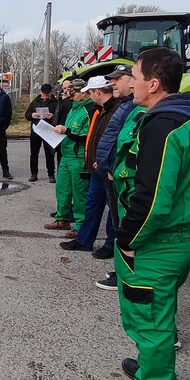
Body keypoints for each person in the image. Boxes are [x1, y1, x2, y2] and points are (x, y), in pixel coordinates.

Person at [113, 48, 190, 380]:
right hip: (188, 233)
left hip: (159, 240)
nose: (129, 83)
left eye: (134, 77)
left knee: (149, 317)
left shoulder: (164, 126)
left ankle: (157, 377)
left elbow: (152, 198)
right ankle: (151, 365)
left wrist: (128, 240)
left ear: (154, 83)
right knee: (161, 306)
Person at [59, 76, 119, 252]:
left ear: (97, 92)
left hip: (104, 165)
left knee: (112, 207)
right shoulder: (99, 110)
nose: (88, 96)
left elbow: (110, 140)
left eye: (90, 92)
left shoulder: (113, 110)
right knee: (92, 203)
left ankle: (111, 244)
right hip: (95, 164)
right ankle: (84, 240)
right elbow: (95, 137)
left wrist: (102, 161)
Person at [93, 65, 138, 289]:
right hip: (110, 170)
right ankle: (123, 271)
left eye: (117, 79)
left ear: (132, 80)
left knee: (124, 223)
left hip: (118, 174)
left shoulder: (134, 109)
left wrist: (113, 167)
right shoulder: (126, 105)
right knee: (118, 220)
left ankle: (126, 276)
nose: (112, 83)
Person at [44, 78, 91, 234]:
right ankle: (62, 218)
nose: (70, 96)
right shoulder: (73, 108)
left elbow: (88, 136)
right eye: (69, 92)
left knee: (79, 194)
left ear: (84, 93)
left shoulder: (89, 110)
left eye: (74, 93)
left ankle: (80, 225)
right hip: (66, 155)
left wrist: (67, 131)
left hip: (78, 158)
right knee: (62, 189)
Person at [26, 83, 58, 182]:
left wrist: (52, 116)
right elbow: (27, 115)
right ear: (41, 93)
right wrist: (32, 115)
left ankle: (51, 174)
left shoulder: (55, 103)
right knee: (34, 153)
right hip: (36, 130)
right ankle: (34, 174)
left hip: (48, 130)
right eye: (44, 94)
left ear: (51, 93)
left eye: (47, 94)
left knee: (49, 153)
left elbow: (59, 116)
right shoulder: (35, 102)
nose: (45, 96)